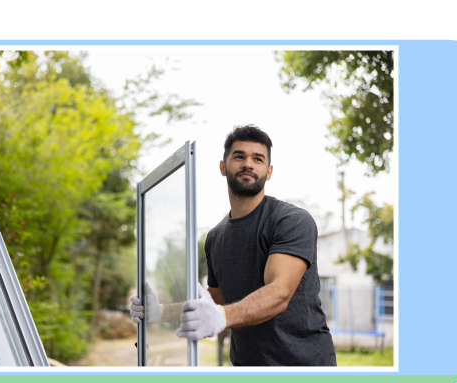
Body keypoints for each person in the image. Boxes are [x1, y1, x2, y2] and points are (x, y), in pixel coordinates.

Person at [130, 125, 336, 366]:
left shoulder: (291, 220)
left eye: (257, 159)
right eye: (239, 156)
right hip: (245, 370)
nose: (248, 164)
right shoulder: (216, 237)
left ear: (268, 172)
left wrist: (222, 317)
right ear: (223, 166)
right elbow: (215, 303)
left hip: (304, 370)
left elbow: (279, 293)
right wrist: (160, 312)